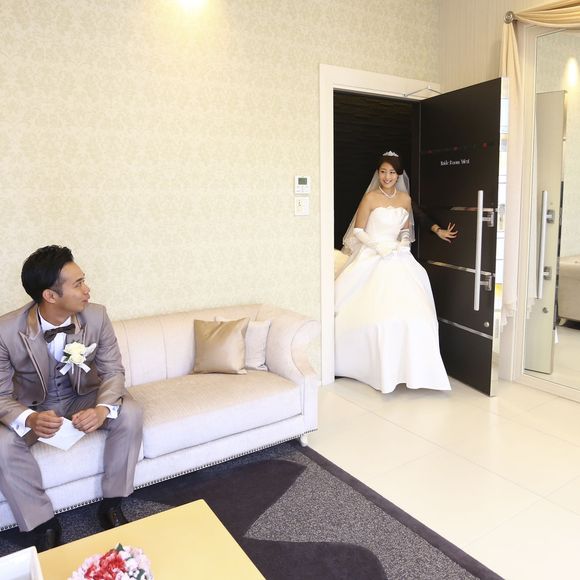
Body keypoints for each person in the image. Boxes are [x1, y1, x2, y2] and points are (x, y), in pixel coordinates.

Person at [0, 246, 144, 551]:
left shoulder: (97, 315)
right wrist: (30, 418)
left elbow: (113, 371)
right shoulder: (5, 331)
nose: (87, 289)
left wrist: (102, 409)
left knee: (129, 412)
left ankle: (112, 503)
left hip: (81, 397)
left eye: (84, 280)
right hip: (35, 407)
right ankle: (43, 524)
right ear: (50, 295)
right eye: (78, 284)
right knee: (1, 442)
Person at [335, 153, 451, 393]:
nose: (387, 177)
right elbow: (358, 230)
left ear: (398, 175)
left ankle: (415, 369)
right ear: (378, 173)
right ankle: (375, 368)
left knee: (417, 313)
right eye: (383, 171)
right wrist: (377, 246)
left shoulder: (405, 199)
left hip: (399, 256)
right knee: (372, 313)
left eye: (391, 172)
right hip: (373, 252)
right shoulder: (370, 198)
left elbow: (406, 228)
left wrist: (404, 241)